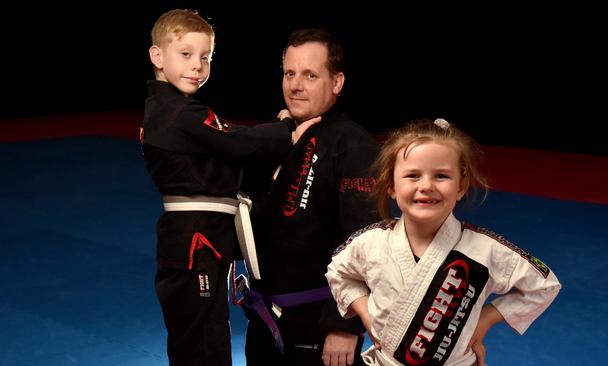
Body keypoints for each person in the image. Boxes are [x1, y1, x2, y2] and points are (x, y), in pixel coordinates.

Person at [141, 9, 319, 366]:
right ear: (157, 56)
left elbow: (231, 149)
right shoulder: (178, 112)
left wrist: (272, 129)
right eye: (186, 54)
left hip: (199, 238)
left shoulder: (171, 110)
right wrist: (285, 129)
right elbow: (237, 141)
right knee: (204, 343)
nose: (197, 66)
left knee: (201, 337)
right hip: (195, 241)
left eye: (205, 57)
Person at [326, 118, 562, 366]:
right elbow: (338, 272)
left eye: (441, 176)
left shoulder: (484, 248)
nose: (426, 186)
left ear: (461, 186)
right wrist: (365, 314)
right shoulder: (371, 241)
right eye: (412, 175)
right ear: (391, 186)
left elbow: (544, 285)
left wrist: (486, 319)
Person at [242, 28, 380, 366]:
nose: (295, 85)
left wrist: (344, 324)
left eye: (310, 75)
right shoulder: (276, 137)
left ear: (337, 82)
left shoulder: (354, 146)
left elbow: (368, 241)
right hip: (264, 319)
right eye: (290, 73)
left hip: (319, 329)